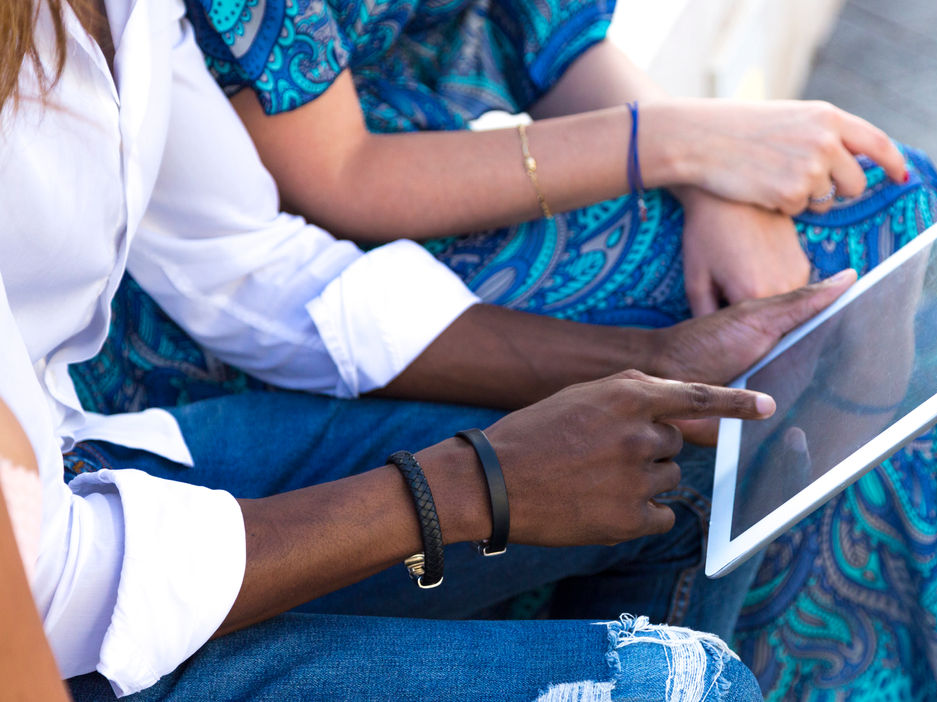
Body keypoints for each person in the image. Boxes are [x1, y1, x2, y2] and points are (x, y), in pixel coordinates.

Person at [61, 1, 937, 701]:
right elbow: (338, 185)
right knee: (857, 260)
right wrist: (677, 146)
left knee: (864, 226)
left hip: (481, 182)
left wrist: (713, 170)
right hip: (327, 266)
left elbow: (559, 30)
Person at [0, 0, 881, 698]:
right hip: (60, 624)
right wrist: (466, 486)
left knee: (693, 458)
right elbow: (47, 598)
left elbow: (244, 267)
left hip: (87, 463)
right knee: (694, 687)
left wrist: (648, 362)